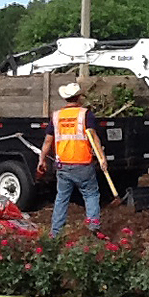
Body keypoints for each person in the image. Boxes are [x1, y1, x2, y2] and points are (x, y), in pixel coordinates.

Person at [37, 82, 108, 237]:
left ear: (66, 99)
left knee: (61, 198)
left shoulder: (56, 116)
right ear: (79, 97)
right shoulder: (85, 114)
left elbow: (48, 141)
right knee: (91, 194)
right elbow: (93, 137)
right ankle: (93, 226)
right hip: (83, 164)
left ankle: (55, 233)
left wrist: (41, 160)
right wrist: (102, 158)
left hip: (63, 165)